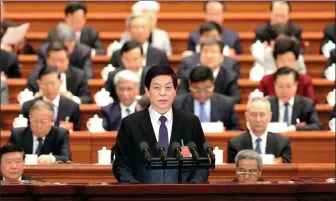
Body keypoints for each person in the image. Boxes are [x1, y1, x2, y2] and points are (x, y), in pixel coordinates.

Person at [113, 64, 209, 183]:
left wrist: (191, 188)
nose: (162, 93)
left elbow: (203, 163)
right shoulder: (130, 124)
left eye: (168, 88)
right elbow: (121, 165)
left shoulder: (190, 122)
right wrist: (136, 191)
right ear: (147, 91)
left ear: (175, 91)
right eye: (157, 88)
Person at [174, 66, 240, 130]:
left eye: (207, 89)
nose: (202, 94)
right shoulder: (177, 104)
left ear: (213, 83)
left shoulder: (227, 104)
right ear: (190, 84)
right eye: (197, 89)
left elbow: (235, 129)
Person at [228, 97, 292, 163]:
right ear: (246, 116)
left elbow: (286, 171)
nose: (258, 120)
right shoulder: (235, 144)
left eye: (262, 115)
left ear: (270, 116)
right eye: (253, 115)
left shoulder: (282, 143)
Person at [26, 41, 92, 104]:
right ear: (47, 60)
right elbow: (25, 98)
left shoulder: (79, 76)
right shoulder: (35, 77)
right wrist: (35, 98)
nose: (58, 65)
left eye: (61, 60)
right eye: (54, 60)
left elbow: (87, 99)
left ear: (68, 60)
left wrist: (72, 98)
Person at [178, 38, 240, 103]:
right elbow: (181, 98)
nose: (209, 55)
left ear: (222, 57)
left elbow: (235, 100)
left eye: (213, 52)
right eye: (205, 51)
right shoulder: (188, 75)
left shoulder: (230, 77)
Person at [21, 66, 81, 131]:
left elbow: (75, 133)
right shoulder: (28, 106)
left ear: (60, 82)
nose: (49, 88)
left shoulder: (72, 107)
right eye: (45, 84)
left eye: (53, 83)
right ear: (39, 83)